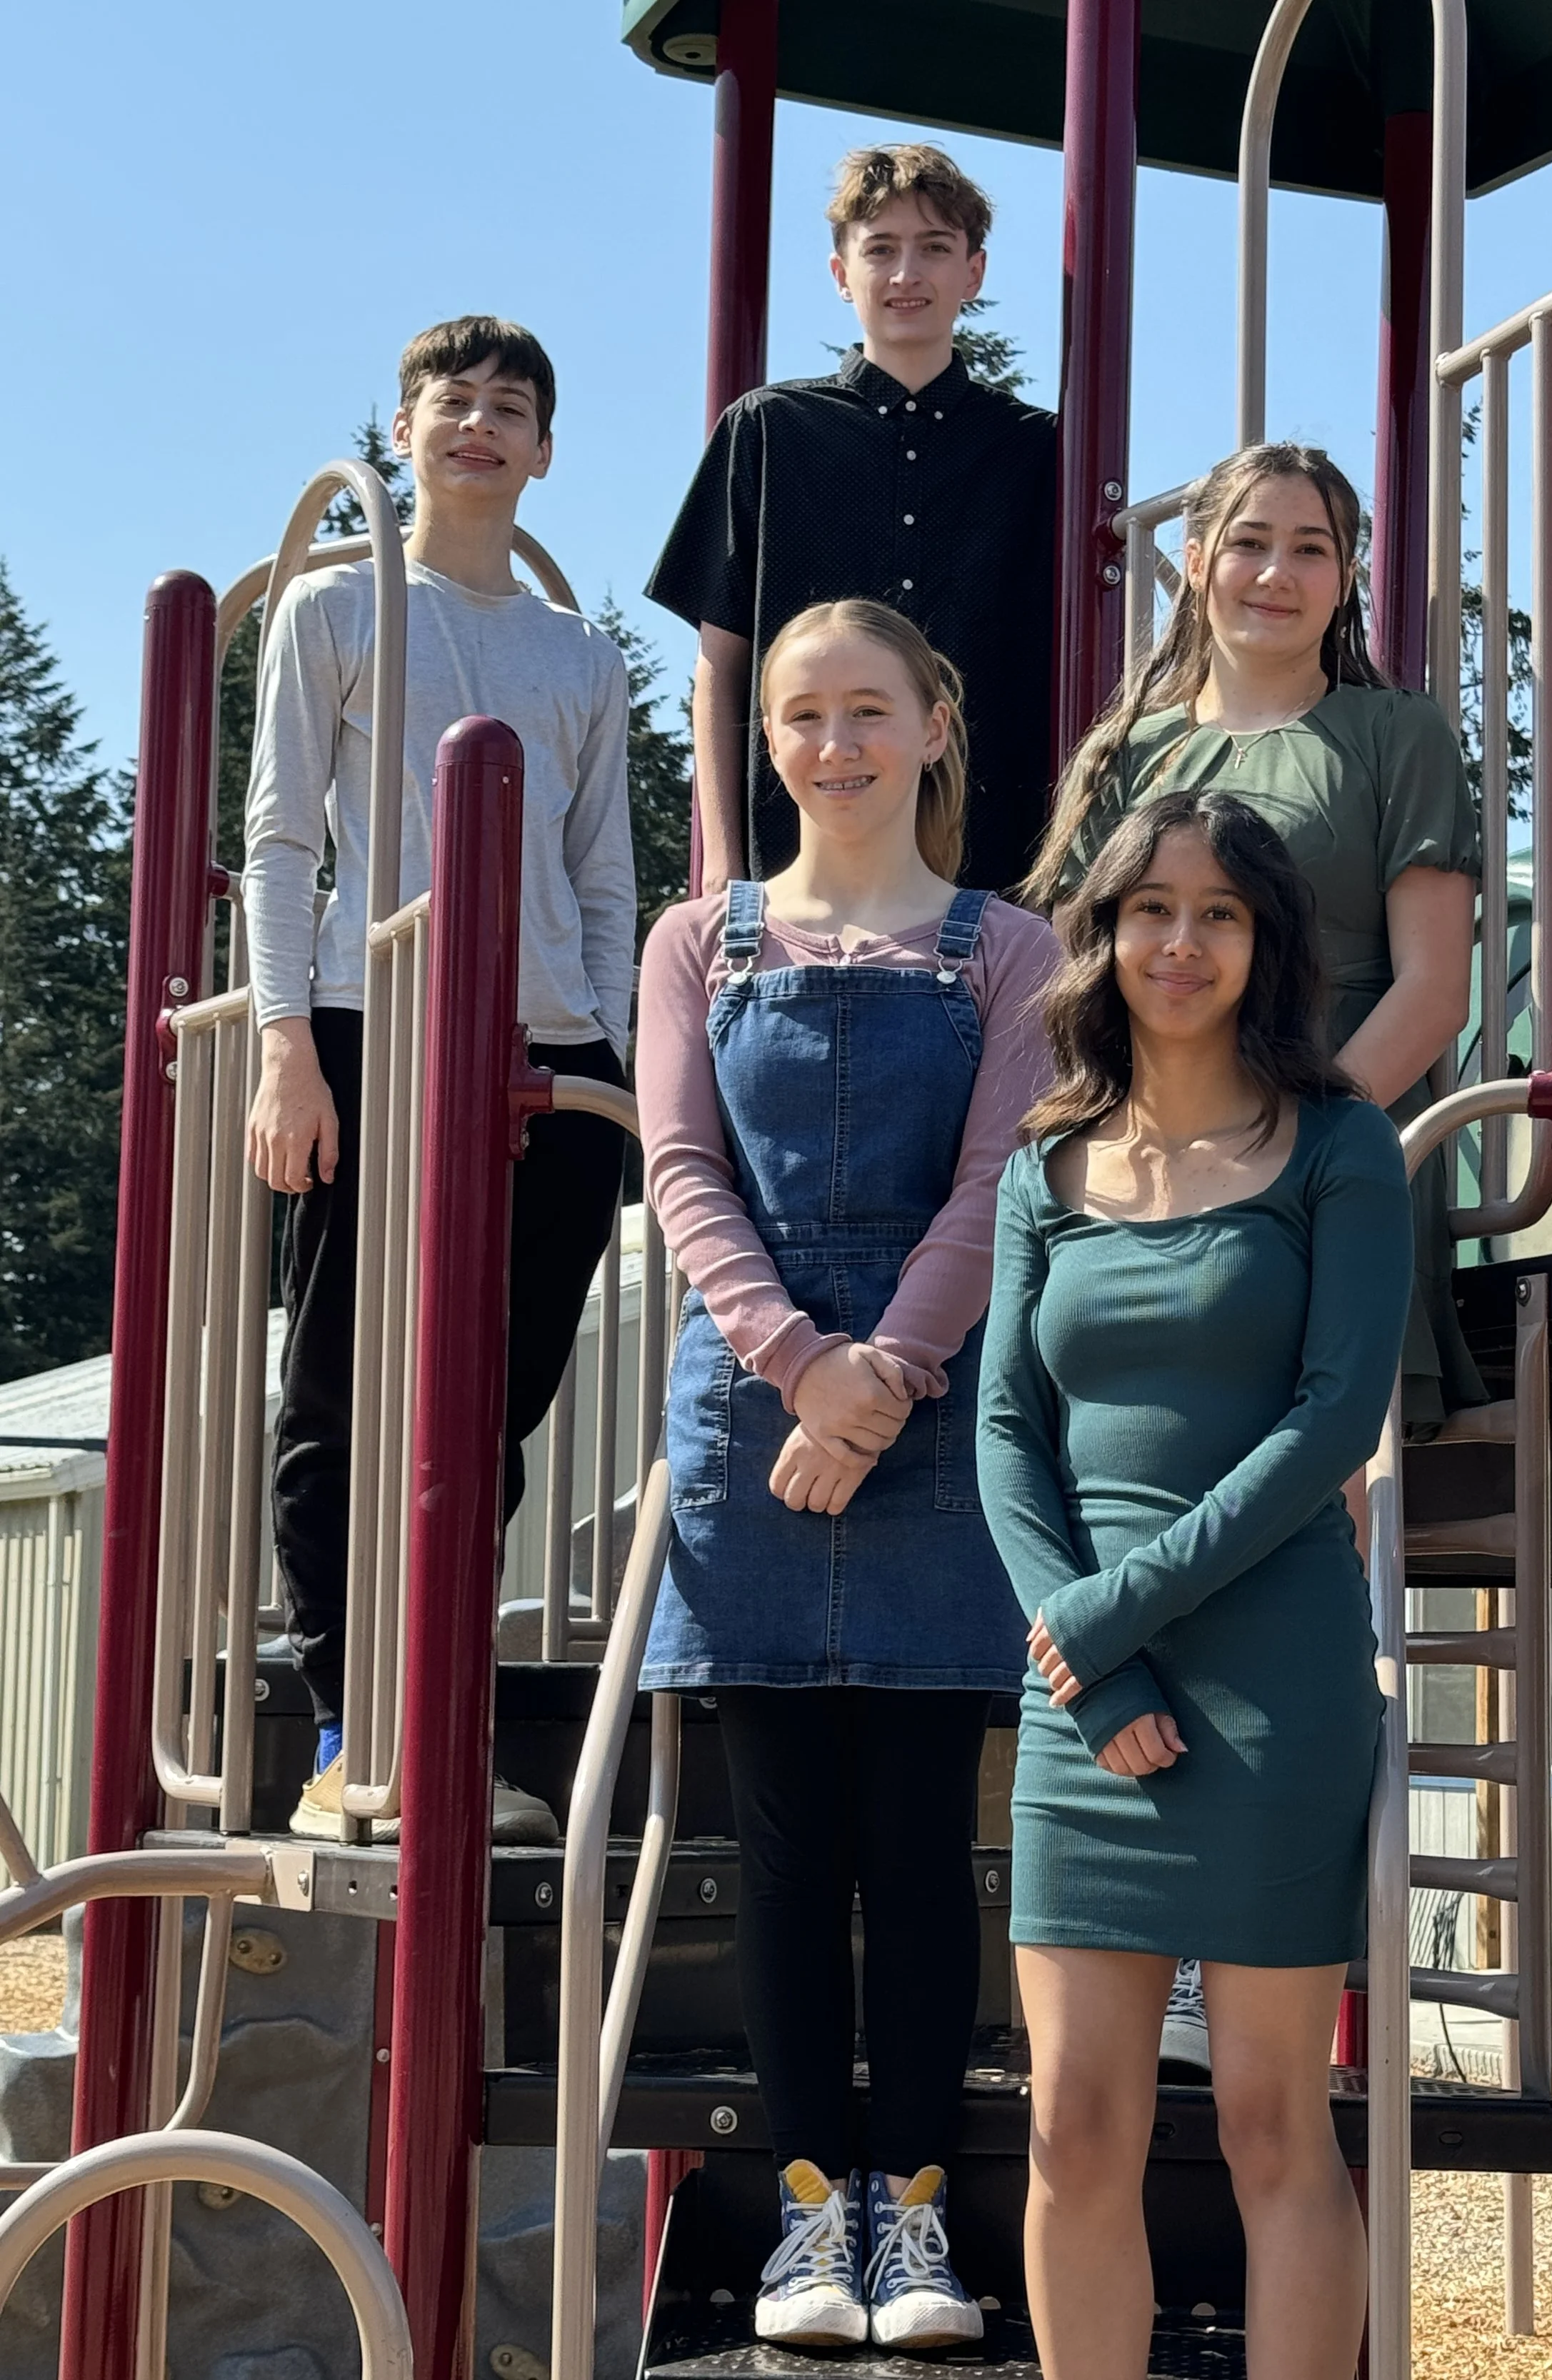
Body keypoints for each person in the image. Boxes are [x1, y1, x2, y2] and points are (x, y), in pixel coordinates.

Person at [634, 599, 1056, 2351]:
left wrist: (885, 1372)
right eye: (801, 715)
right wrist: (808, 1366)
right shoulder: (695, 940)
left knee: (919, 1847)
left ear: (938, 722)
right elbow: (678, 1165)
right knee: (787, 1852)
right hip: (751, 1422)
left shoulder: (1008, 949)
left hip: (939, 1419)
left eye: (868, 710)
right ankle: (812, 2217)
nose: (833, 745)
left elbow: (1001, 1184)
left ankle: (921, 2220)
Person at [978, 791, 1413, 2380]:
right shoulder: (1042, 1163)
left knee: (1265, 2121)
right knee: (1072, 2126)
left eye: (1217, 912)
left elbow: (1324, 1425)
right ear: (1101, 934)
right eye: (1148, 908)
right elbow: (1008, 1435)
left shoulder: (1340, 1144)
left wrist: (1114, 1616)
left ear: (1263, 941)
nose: (1179, 940)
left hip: (1268, 1677)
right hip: (1089, 1681)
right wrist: (1096, 1657)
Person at [242, 316, 636, 1844]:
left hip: (547, 1053)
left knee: (493, 1402)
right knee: (343, 1385)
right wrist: (288, 1047)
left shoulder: (580, 653)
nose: (477, 424)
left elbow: (602, 874)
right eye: (449, 402)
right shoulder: (336, 609)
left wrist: (598, 1045)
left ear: (544, 449)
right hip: (368, 1016)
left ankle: (442, 1710)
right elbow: (283, 839)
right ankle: (354, 1725)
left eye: (509, 407)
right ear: (403, 432)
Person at [1023, 439, 1481, 1440]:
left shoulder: (1399, 736)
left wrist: (1294, 1145)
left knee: (1320, 1483)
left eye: (1311, 549)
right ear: (1196, 561)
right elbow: (1084, 980)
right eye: (1251, 542)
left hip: (1338, 1157)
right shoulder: (1128, 755)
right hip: (1147, 1163)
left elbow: (1436, 988)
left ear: (1347, 574)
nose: (1277, 573)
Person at [647, 142, 1057, 897]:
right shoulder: (766, 430)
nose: (907, 274)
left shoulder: (1041, 450)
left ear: (973, 272)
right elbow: (721, 666)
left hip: (999, 877)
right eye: (881, 250)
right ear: (842, 275)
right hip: (791, 876)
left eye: (935, 248)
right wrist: (720, 865)